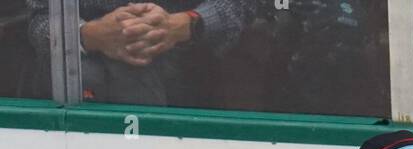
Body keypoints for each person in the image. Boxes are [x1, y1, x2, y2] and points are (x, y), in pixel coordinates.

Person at [25, 1, 255, 106]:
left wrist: (186, 25)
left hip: (189, 93)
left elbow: (244, 7)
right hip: (84, 95)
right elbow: (38, 19)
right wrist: (89, 34)